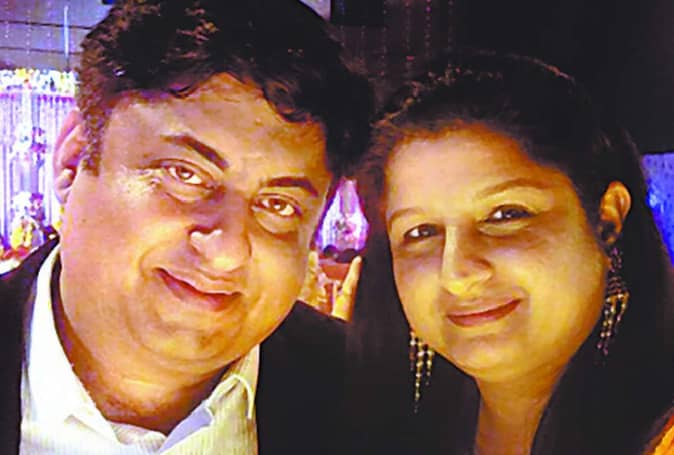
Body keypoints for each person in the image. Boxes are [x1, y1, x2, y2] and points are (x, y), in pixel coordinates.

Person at [0, 0, 371, 453]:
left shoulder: (376, 404)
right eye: (184, 174)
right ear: (74, 159)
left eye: (278, 204)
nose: (227, 250)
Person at [345, 49, 674, 454]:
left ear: (607, 222)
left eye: (504, 215)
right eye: (421, 232)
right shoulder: (377, 427)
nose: (457, 273)